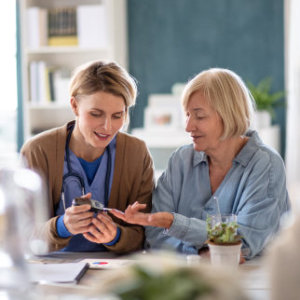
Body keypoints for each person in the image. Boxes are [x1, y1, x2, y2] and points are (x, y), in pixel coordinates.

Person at [111, 68, 290, 259]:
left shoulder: (266, 165)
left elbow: (244, 242)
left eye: (199, 116)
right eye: (187, 115)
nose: (188, 126)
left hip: (251, 281)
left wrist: (174, 224)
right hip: (187, 277)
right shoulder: (180, 160)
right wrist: (200, 253)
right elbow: (155, 234)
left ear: (229, 114)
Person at [21, 60, 154, 254]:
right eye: (96, 114)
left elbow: (146, 233)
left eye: (117, 116)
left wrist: (116, 235)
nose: (107, 127)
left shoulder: (136, 153)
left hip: (112, 269)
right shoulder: (38, 151)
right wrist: (62, 226)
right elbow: (22, 233)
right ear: (75, 106)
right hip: (52, 268)